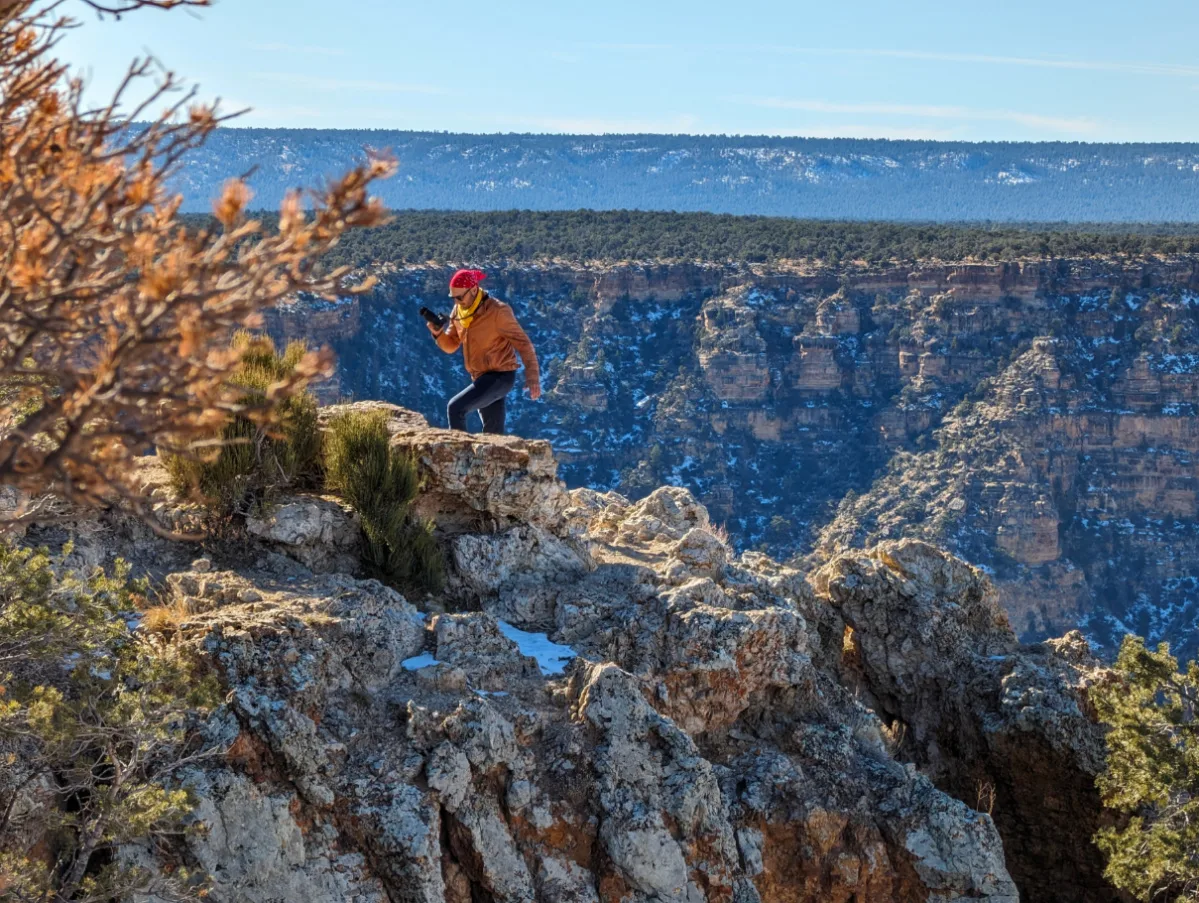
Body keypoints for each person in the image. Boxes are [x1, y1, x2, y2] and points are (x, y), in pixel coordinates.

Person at [426, 268, 541, 434]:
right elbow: (451, 345)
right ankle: (497, 459)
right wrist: (438, 334)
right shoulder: (459, 312)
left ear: (473, 289)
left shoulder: (497, 311)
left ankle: (458, 452)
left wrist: (532, 377)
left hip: (501, 376)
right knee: (493, 433)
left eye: (459, 297)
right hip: (481, 377)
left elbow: (523, 344)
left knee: (455, 408)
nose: (457, 302)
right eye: (453, 298)